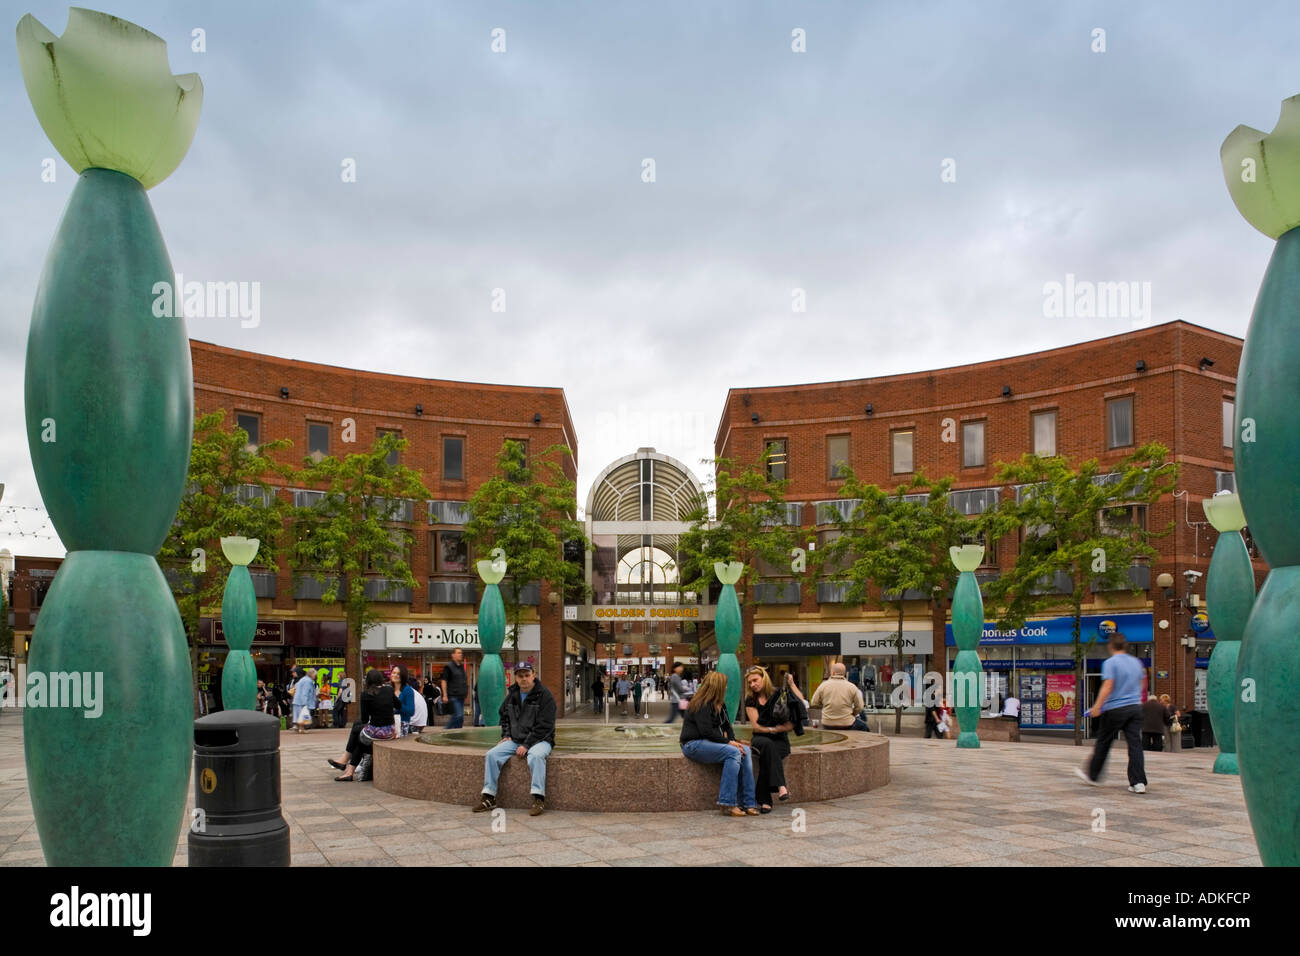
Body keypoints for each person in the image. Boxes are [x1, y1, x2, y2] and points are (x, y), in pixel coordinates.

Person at [472, 663, 556, 816]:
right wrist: (506, 735)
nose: (524, 679)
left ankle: (539, 798)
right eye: (520, 676)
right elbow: (504, 716)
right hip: (516, 739)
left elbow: (545, 726)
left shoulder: (545, 695)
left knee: (536, 756)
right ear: (516, 678)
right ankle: (489, 796)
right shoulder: (512, 695)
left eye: (527, 675)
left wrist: (527, 745)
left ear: (534, 675)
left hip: (541, 740)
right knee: (492, 754)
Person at [1074, 632, 1149, 793]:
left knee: (1104, 742)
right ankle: (1138, 782)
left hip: (1115, 708)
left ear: (1110, 646)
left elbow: (1108, 685)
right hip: (1135, 708)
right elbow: (1143, 682)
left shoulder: (1110, 663)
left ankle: (1093, 776)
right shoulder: (1136, 662)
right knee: (1135, 745)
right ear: (1125, 645)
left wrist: (1097, 706)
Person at [679, 671, 759, 817]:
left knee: (745, 751)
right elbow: (706, 732)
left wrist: (734, 741)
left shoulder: (720, 705)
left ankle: (748, 803)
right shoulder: (701, 704)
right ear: (718, 686)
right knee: (733, 752)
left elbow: (728, 727)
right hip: (693, 744)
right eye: (725, 685)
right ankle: (727, 803)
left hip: (710, 742)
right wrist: (729, 743)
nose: (726, 688)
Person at [744, 666, 802, 811]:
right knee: (768, 745)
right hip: (760, 739)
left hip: (780, 740)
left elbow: (801, 703)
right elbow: (757, 727)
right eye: (750, 682)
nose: (752, 684)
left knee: (768, 758)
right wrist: (776, 729)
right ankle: (781, 786)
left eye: (755, 680)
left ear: (764, 678)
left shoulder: (778, 694)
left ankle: (765, 800)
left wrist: (792, 684)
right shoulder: (751, 700)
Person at [331, 669, 400, 781]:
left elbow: (365, 719)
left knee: (357, 731)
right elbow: (399, 706)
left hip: (376, 732)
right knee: (359, 735)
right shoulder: (389, 690)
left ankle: (345, 760)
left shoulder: (365, 694)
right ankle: (348, 771)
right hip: (390, 731)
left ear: (367, 681)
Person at [810, 662, 868, 731]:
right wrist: (853, 713)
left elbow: (814, 703)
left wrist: (825, 705)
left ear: (833, 672)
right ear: (844, 673)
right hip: (847, 723)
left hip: (827, 723)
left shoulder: (823, 686)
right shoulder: (852, 687)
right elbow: (860, 706)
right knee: (864, 726)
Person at [440, 648, 471, 729]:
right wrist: (445, 695)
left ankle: (457, 732)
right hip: (453, 696)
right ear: (453, 655)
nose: (461, 654)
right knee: (458, 715)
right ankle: (446, 730)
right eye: (458, 653)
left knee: (460, 718)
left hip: (461, 696)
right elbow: (444, 681)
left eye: (461, 653)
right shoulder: (449, 667)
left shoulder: (461, 667)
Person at [290, 665, 317, 733]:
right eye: (315, 675)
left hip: (297, 700)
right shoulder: (308, 681)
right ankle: (301, 729)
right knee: (302, 715)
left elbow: (296, 687)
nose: (315, 676)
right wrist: (305, 702)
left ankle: (298, 728)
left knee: (298, 715)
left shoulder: (303, 679)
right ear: (312, 674)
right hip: (302, 701)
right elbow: (305, 692)